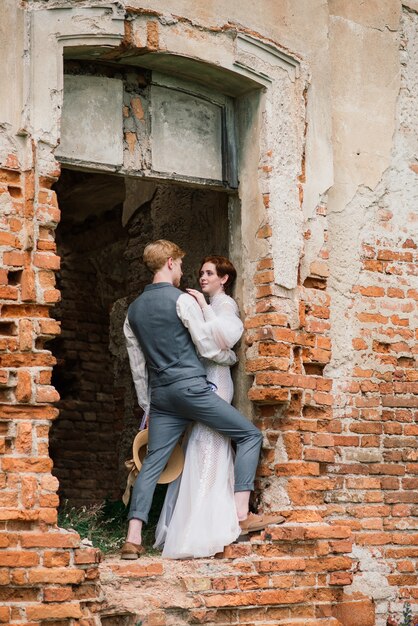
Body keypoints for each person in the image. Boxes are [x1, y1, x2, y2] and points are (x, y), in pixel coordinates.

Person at [121, 239, 283, 559]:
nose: (183, 272)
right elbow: (208, 347)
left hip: (161, 396)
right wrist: (230, 358)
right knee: (249, 435)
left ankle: (133, 538)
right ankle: (241, 513)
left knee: (152, 463)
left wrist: (148, 405)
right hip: (191, 389)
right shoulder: (183, 301)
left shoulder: (133, 311)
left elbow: (138, 366)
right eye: (181, 265)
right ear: (169, 263)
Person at [154, 256, 244, 557]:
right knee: (202, 444)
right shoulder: (210, 304)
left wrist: (203, 308)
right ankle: (195, 522)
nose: (202, 277)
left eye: (209, 273)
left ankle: (206, 523)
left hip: (217, 381)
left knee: (211, 443)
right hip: (205, 379)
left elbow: (225, 339)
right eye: (201, 272)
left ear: (224, 279)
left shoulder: (224, 305)